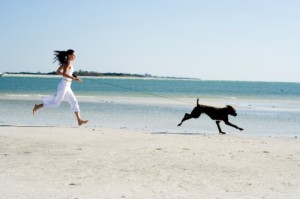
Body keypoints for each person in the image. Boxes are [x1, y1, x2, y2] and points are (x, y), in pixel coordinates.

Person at [33, 49, 88, 126]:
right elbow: (64, 74)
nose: (75, 56)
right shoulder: (67, 63)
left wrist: (73, 76)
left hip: (67, 86)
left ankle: (79, 120)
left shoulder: (67, 63)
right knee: (56, 103)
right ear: (69, 55)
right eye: (74, 55)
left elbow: (58, 71)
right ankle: (38, 106)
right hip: (64, 85)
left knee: (74, 102)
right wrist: (74, 78)